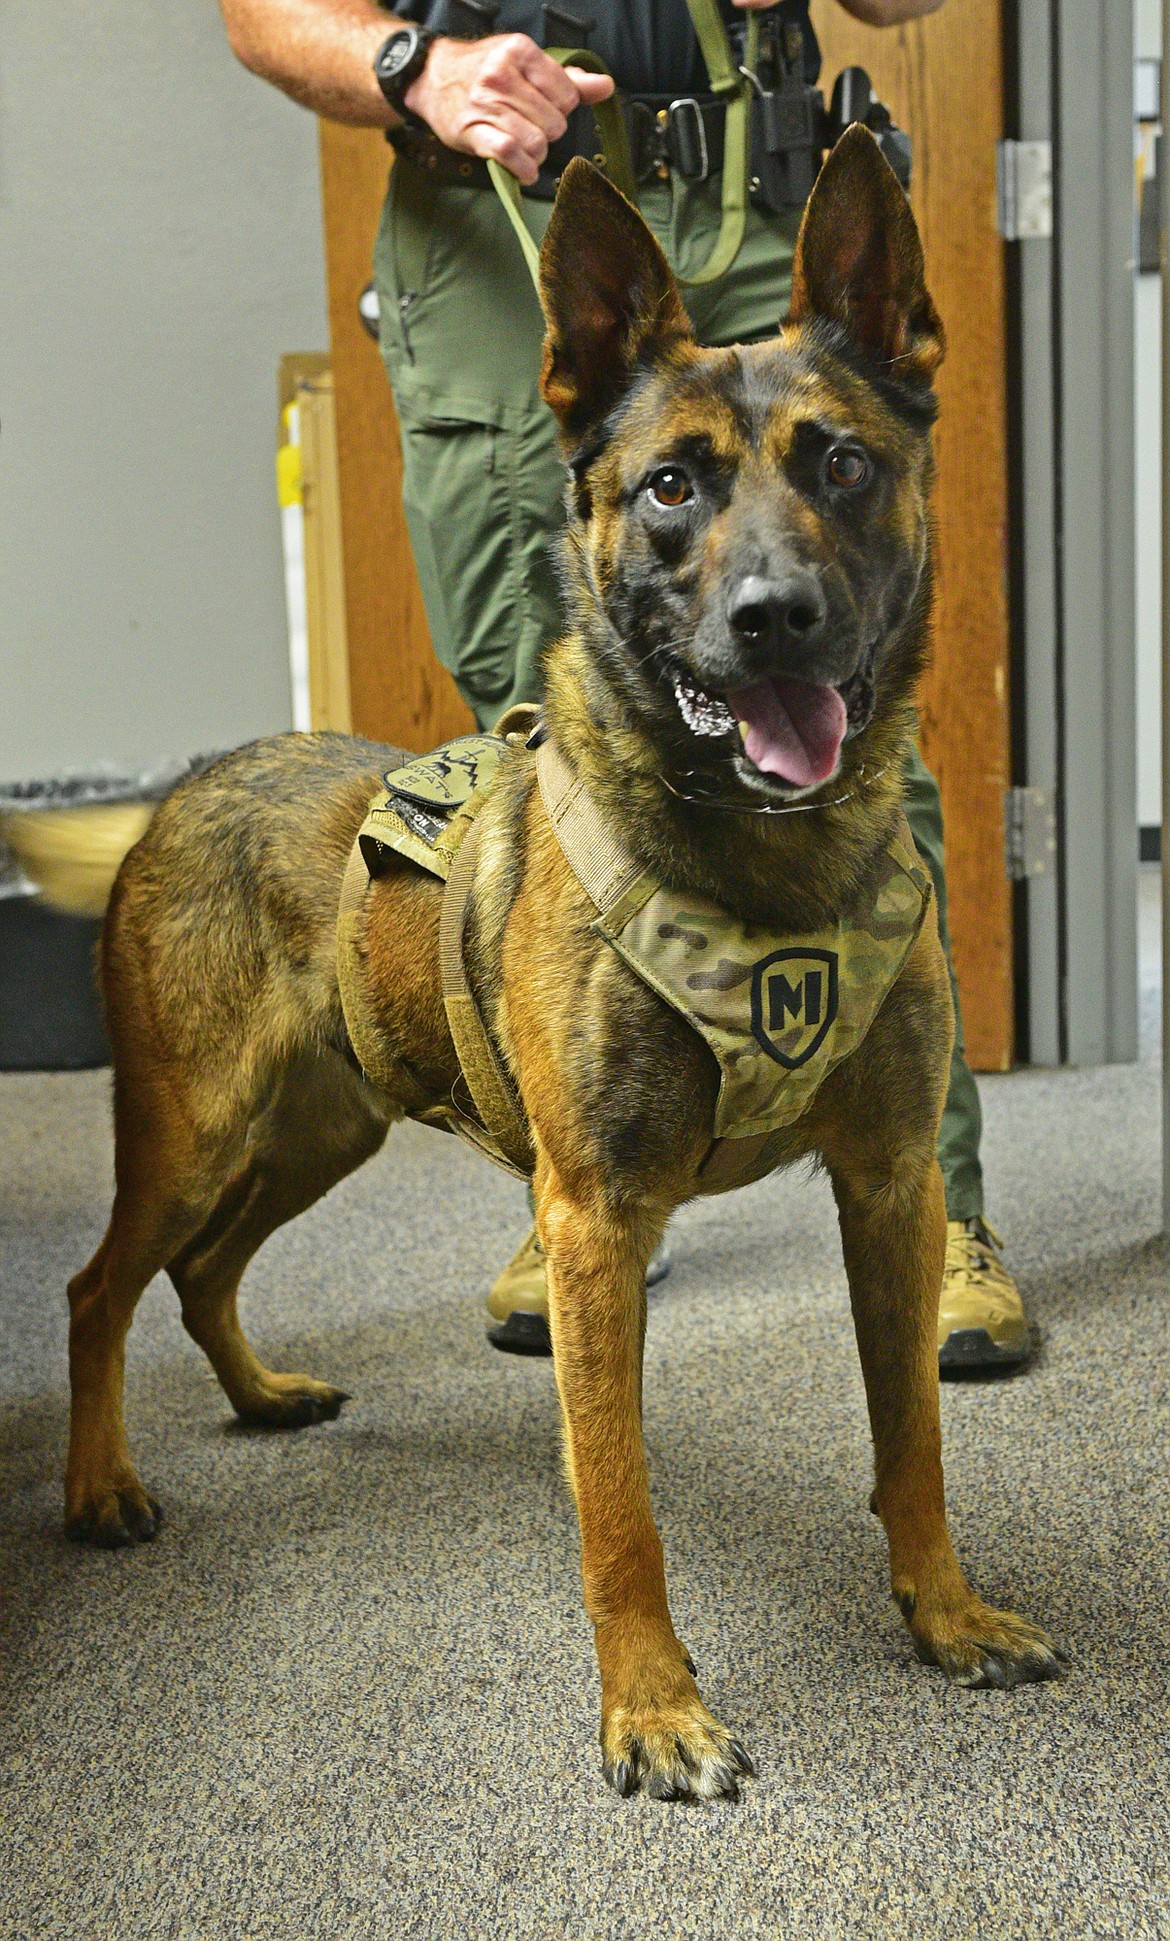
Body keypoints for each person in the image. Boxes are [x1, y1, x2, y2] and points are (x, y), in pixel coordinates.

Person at [221, 0, 1031, 1373]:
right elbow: (262, 12)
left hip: (752, 175)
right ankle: (589, 1170)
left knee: (850, 712)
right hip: (494, 207)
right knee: (542, 738)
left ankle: (929, 1200)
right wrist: (412, 66)